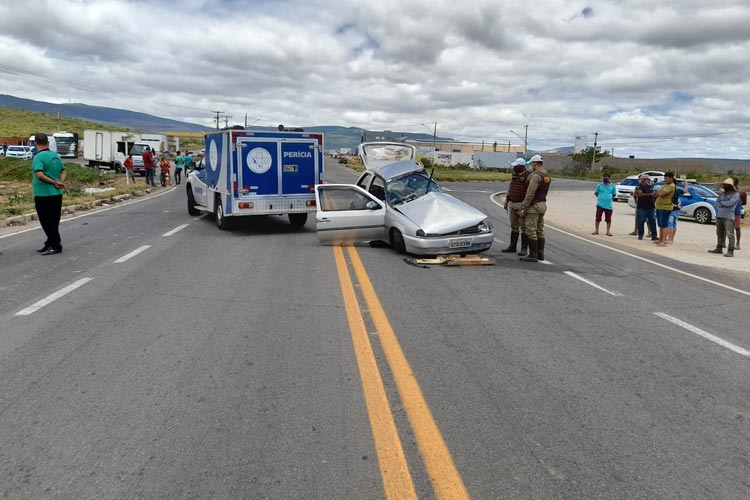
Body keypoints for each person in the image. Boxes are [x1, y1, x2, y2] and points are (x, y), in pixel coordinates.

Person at [31, 133, 66, 255]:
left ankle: (56, 244)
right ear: (48, 142)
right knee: (54, 220)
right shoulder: (55, 156)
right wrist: (60, 182)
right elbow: (63, 171)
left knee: (46, 221)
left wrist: (54, 182)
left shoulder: (38, 157)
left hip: (43, 194)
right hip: (57, 193)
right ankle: (49, 242)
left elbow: (39, 175)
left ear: (36, 144)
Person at [518, 155, 551, 262]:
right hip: (542, 205)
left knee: (531, 230)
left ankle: (533, 254)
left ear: (535, 163)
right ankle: (540, 254)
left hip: (534, 207)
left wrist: (523, 207)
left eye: (532, 163)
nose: (531, 165)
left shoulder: (535, 176)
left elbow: (530, 193)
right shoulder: (546, 175)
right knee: (540, 230)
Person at [501, 158, 530, 254]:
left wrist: (524, 206)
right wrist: (507, 200)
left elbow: (530, 192)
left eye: (516, 166)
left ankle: (524, 248)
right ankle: (512, 246)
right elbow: (511, 188)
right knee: (514, 226)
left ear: (522, 166)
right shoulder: (514, 175)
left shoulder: (528, 176)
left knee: (524, 227)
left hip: (521, 204)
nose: (514, 168)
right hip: (512, 203)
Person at [708, 178, 739, 257]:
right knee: (719, 233)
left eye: (726, 185)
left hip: (729, 217)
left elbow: (730, 203)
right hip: (720, 216)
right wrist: (723, 203)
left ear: (730, 186)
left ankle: (730, 251)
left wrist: (722, 203)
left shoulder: (735, 194)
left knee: (730, 234)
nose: (724, 186)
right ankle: (719, 248)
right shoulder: (722, 194)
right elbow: (716, 203)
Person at [654, 172, 676, 247]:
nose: (665, 180)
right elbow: (658, 192)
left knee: (664, 225)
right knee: (661, 224)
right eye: (665, 178)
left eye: (667, 178)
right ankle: (660, 239)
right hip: (659, 207)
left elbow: (660, 194)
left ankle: (663, 241)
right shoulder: (665, 185)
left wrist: (659, 192)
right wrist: (659, 192)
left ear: (671, 178)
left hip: (665, 207)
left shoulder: (671, 186)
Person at [665, 180, 690, 244]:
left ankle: (669, 239)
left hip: (671, 208)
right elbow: (685, 190)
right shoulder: (678, 190)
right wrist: (686, 184)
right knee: (674, 224)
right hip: (676, 208)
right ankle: (671, 239)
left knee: (670, 224)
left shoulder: (671, 190)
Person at [634, 174, 658, 240]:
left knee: (652, 221)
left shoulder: (650, 187)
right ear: (644, 180)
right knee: (641, 221)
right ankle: (640, 235)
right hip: (642, 206)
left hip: (651, 206)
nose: (648, 180)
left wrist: (655, 195)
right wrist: (650, 194)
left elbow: (654, 194)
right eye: (647, 179)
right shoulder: (639, 186)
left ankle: (654, 235)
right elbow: (640, 194)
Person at [732, 177, 746, 250]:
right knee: (726, 228)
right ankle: (724, 243)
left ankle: (737, 244)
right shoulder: (730, 191)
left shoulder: (741, 192)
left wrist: (738, 204)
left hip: (736, 213)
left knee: (737, 228)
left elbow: (744, 202)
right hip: (730, 212)